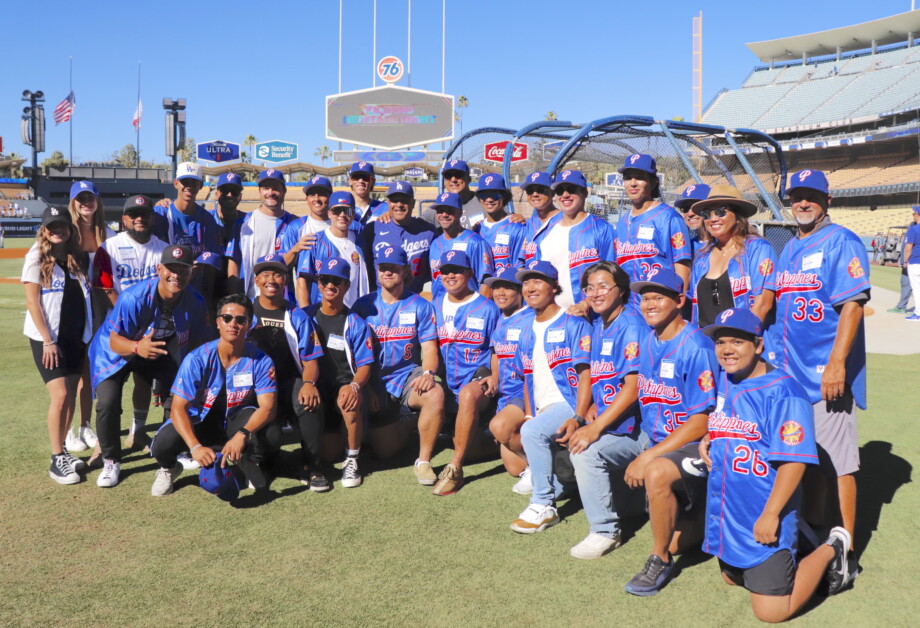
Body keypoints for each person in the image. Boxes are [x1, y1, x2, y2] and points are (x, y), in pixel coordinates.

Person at [698, 308, 852, 622]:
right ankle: (805, 543)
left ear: (758, 345)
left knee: (771, 612)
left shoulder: (785, 392)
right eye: (721, 342)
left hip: (764, 511)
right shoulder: (728, 378)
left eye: (738, 342)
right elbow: (731, 421)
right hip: (730, 513)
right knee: (731, 578)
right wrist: (710, 436)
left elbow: (794, 463)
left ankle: (833, 547)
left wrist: (770, 515)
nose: (727, 349)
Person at [765, 170, 869, 580]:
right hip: (791, 374)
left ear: (827, 200)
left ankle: (848, 554)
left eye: (811, 196)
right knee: (807, 460)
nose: (802, 203)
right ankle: (816, 534)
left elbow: (853, 306)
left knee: (838, 465)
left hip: (825, 373)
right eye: (796, 197)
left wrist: (838, 364)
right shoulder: (790, 246)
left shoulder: (841, 240)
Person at [622, 268, 719, 596]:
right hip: (662, 439)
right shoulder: (650, 337)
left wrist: (650, 455)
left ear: (679, 300)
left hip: (700, 443)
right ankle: (706, 518)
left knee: (658, 471)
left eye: (658, 297)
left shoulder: (697, 346)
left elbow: (701, 422)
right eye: (645, 297)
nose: (649, 304)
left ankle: (659, 559)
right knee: (679, 537)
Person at [88, 245, 211, 488]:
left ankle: (172, 453)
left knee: (178, 395)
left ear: (191, 273)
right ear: (159, 269)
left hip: (158, 348)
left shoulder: (196, 301)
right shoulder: (134, 296)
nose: (175, 275)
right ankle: (111, 459)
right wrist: (136, 348)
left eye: (183, 270)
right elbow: (114, 340)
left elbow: (198, 343)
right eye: (170, 269)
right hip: (117, 349)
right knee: (108, 401)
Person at [149, 294, 281, 496]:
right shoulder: (197, 359)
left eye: (240, 320)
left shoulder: (261, 360)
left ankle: (249, 464)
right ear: (218, 322)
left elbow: (268, 408)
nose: (233, 324)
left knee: (269, 432)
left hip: (235, 423)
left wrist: (242, 435)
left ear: (249, 325)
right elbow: (177, 408)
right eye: (227, 318)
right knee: (162, 443)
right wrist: (194, 447)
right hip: (199, 423)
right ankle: (169, 468)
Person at [560, 261, 649, 559]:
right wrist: (589, 410)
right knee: (567, 445)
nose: (595, 293)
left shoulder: (631, 325)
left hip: (643, 429)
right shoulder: (600, 324)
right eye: (589, 287)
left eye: (603, 286)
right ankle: (640, 503)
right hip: (616, 422)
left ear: (621, 291)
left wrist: (594, 427)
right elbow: (605, 378)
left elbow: (634, 387)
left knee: (585, 451)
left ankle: (605, 531)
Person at [509, 260, 592, 533]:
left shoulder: (573, 321)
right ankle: (560, 483)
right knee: (528, 429)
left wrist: (579, 415)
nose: (530, 287)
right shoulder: (525, 328)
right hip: (545, 407)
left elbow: (586, 374)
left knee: (531, 431)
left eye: (538, 281)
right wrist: (532, 412)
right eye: (526, 282)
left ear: (554, 287)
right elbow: (528, 378)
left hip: (570, 403)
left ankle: (543, 504)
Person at [353, 246, 444, 485]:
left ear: (405, 271)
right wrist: (367, 387)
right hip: (372, 380)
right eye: (383, 267)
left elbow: (429, 348)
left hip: (406, 376)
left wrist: (428, 372)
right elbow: (352, 355)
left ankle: (423, 462)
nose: (388, 272)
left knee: (434, 394)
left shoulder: (420, 305)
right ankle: (411, 421)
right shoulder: (363, 306)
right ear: (377, 271)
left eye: (394, 268)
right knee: (384, 452)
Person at [22, 207, 92, 484]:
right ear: (44, 230)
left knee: (71, 395)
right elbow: (32, 302)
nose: (57, 230)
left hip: (76, 336)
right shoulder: (35, 257)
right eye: (51, 227)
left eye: (61, 225)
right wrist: (48, 341)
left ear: (69, 228)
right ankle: (56, 458)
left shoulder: (77, 258)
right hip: (48, 340)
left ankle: (62, 449)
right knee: (61, 395)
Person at [245, 254, 326, 490]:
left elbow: (310, 360)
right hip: (253, 386)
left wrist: (309, 383)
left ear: (285, 281)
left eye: (278, 274)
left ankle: (313, 465)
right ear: (257, 280)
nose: (272, 279)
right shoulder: (244, 311)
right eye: (266, 274)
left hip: (288, 382)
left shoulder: (296, 315)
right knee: (269, 435)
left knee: (309, 400)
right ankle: (261, 462)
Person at [95, 195, 168, 449]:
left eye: (144, 214)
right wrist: (128, 317)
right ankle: (104, 446)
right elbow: (104, 287)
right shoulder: (110, 247)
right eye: (133, 214)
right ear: (124, 219)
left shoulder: (162, 248)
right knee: (110, 392)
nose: (139, 218)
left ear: (152, 218)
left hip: (150, 331)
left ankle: (137, 432)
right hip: (117, 329)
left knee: (143, 382)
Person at [431, 251, 502, 496]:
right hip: (447, 381)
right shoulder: (436, 303)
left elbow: (497, 349)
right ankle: (497, 442)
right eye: (445, 271)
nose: (451, 275)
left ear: (470, 273)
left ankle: (455, 468)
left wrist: (494, 375)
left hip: (477, 377)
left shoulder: (487, 308)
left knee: (468, 396)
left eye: (457, 270)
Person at [303, 258, 374, 489]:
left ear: (346, 286)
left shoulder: (356, 323)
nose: (330, 286)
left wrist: (355, 386)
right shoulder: (304, 316)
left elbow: (364, 366)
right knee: (328, 454)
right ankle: (309, 460)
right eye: (325, 280)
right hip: (315, 384)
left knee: (349, 400)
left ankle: (352, 459)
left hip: (343, 384)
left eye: (337, 281)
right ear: (318, 283)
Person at [65, 180, 113, 453]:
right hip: (73, 309)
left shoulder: (109, 234)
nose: (86, 203)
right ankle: (68, 430)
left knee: (89, 372)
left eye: (90, 197)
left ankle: (85, 425)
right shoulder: (65, 234)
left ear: (97, 201)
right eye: (80, 198)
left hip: (101, 310)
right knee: (71, 372)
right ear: (73, 203)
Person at [687, 185, 777, 328]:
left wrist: (740, 341)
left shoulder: (757, 249)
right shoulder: (702, 258)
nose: (713, 218)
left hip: (742, 342)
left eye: (720, 211)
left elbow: (763, 305)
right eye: (706, 214)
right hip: (708, 344)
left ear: (737, 216)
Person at [614, 154, 692, 309]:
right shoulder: (622, 222)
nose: (633, 183)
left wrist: (677, 306)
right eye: (628, 178)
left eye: (640, 177)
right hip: (629, 309)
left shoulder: (669, 217)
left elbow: (683, 266)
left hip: (660, 306)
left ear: (653, 182)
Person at [535, 170, 616, 308]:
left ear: (585, 193)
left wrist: (586, 304)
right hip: (556, 315)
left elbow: (611, 277)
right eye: (560, 191)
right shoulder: (545, 233)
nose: (565, 195)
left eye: (571, 189)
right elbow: (540, 279)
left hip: (593, 314)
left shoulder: (602, 229)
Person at [484, 266, 533, 491]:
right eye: (496, 288)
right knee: (514, 468)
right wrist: (494, 376)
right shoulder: (501, 317)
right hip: (505, 393)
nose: (500, 293)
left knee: (499, 426)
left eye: (507, 288)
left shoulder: (531, 316)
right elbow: (496, 352)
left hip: (524, 391)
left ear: (520, 291)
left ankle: (540, 467)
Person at [228, 169, 297, 300]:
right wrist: (234, 298)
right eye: (266, 188)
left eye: (275, 188)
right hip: (251, 299)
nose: (270, 193)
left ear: (284, 191)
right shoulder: (243, 223)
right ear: (259, 191)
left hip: (284, 301)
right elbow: (233, 263)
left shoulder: (295, 224)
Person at [361, 181, 436, 294]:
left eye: (404, 201)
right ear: (388, 203)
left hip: (412, 299)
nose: (399, 205)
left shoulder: (428, 232)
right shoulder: (372, 230)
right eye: (395, 200)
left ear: (413, 203)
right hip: (380, 299)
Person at [296, 191, 369, 308]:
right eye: (337, 210)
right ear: (329, 213)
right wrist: (306, 312)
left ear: (353, 215)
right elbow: (302, 281)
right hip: (322, 313)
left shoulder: (360, 240)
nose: (342, 215)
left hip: (353, 311)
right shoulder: (314, 241)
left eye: (347, 211)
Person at [428, 192, 495, 304]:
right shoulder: (435, 243)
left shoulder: (475, 242)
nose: (444, 214)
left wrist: (479, 310)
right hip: (440, 309)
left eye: (450, 211)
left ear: (459, 213)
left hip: (468, 308)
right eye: (440, 211)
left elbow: (486, 283)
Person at [152, 162, 221, 258]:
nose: (189, 186)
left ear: (200, 185)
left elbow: (210, 259)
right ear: (176, 183)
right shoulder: (160, 213)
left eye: (193, 182)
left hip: (197, 271)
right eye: (185, 182)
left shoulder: (207, 219)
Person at [474, 173, 526, 273]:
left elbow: (520, 267)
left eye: (495, 195)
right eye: (484, 195)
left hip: (507, 286)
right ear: (480, 199)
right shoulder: (477, 229)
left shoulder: (517, 228)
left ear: (504, 197)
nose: (489, 200)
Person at [207, 172, 246, 296]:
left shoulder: (249, 221)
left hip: (240, 286)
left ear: (240, 196)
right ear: (216, 194)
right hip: (208, 286)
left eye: (234, 192)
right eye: (225, 191)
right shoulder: (206, 218)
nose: (230, 195)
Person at [518, 171, 562, 265]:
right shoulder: (529, 224)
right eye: (530, 191)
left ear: (552, 193)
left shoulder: (566, 220)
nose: (535, 194)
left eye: (541, 190)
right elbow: (521, 262)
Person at [673, 183, 711, 259]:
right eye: (685, 208)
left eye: (695, 207)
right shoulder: (685, 246)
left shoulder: (724, 245)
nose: (690, 214)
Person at [347, 161, 388, 227]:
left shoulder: (385, 208)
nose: (361, 181)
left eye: (365, 178)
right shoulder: (342, 208)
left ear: (373, 182)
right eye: (356, 177)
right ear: (350, 181)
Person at [903, 206, 920, 320]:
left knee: (917, 288)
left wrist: (905, 261)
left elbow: (908, 247)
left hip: (915, 262)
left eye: (914, 213)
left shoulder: (914, 229)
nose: (913, 215)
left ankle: (918, 313)